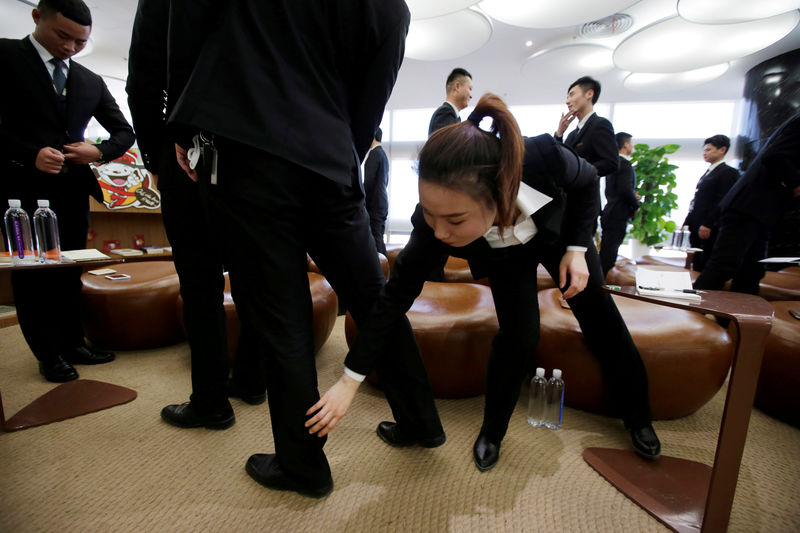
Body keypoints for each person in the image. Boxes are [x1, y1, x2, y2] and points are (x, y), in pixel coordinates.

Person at [164, 0, 442, 499]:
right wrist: (337, 156)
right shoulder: (391, 8)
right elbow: (371, 99)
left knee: (280, 315)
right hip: (331, 158)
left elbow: (188, 26)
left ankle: (302, 466)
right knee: (374, 297)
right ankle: (421, 421)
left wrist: (184, 127)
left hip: (247, 142)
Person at [307, 94, 661, 472]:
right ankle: (493, 432)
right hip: (507, 256)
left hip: (560, 239)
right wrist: (349, 379)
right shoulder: (433, 227)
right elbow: (393, 300)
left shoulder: (541, 155)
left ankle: (638, 417)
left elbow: (588, 181)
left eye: (456, 221)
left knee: (602, 321)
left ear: (496, 195)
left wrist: (577, 248)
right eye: (430, 214)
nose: (440, 231)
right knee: (519, 337)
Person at [126, 0, 266, 431]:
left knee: (200, 282)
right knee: (253, 274)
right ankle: (250, 378)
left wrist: (157, 156)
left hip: (185, 149)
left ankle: (210, 400)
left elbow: (144, 79)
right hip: (252, 148)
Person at [0, 0, 134, 383]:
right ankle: (47, 353)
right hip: (19, 188)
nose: (71, 47)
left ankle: (74, 343)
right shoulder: (5, 55)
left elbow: (124, 132)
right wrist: (29, 154)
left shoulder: (90, 80)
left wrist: (98, 150)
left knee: (68, 270)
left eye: (80, 42)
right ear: (37, 17)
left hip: (73, 188)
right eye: (63, 36)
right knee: (32, 273)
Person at [694, 111, 800, 294]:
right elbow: (774, 156)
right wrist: (796, 183)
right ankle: (690, 313)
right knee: (724, 265)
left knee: (751, 270)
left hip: (760, 208)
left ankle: (735, 318)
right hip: (751, 206)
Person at [682, 135, 739, 272]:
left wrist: (709, 223)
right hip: (697, 225)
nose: (705, 153)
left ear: (722, 150)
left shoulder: (728, 173)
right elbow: (698, 199)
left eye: (709, 150)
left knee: (705, 262)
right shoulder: (708, 173)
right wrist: (689, 220)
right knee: (696, 261)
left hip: (709, 228)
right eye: (704, 150)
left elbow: (722, 201)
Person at [599, 132, 640, 276]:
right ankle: (600, 286)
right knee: (609, 254)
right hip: (618, 213)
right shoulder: (625, 164)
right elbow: (625, 189)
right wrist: (636, 204)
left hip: (609, 211)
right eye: (631, 143)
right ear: (626, 144)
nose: (632, 147)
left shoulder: (613, 164)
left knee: (606, 251)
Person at [363, 128, 389, 255]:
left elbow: (368, 183)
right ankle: (385, 271)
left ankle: (380, 270)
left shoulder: (374, 154)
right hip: (382, 202)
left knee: (375, 238)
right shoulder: (383, 154)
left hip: (374, 204)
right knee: (379, 237)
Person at [428, 68, 473, 136]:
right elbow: (449, 144)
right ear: (457, 87)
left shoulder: (454, 116)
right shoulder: (445, 113)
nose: (471, 96)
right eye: (469, 88)